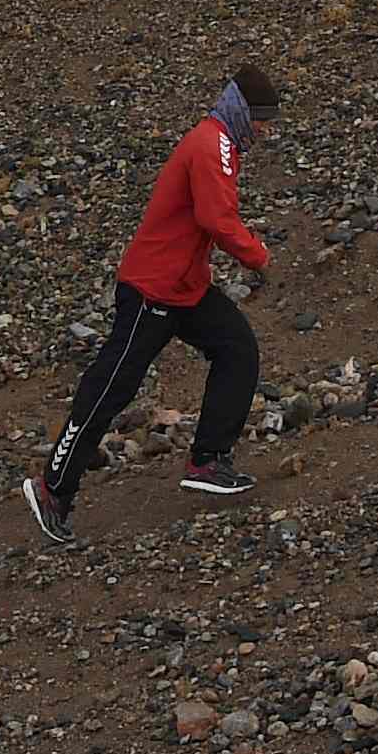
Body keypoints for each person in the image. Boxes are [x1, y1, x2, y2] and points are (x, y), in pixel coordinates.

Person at [23, 66, 280, 545]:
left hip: (184, 287)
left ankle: (208, 461)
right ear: (244, 112)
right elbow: (217, 218)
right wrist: (258, 256)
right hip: (152, 289)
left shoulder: (219, 142)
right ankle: (53, 489)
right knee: (110, 388)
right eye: (262, 118)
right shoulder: (213, 146)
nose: (265, 129)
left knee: (237, 348)